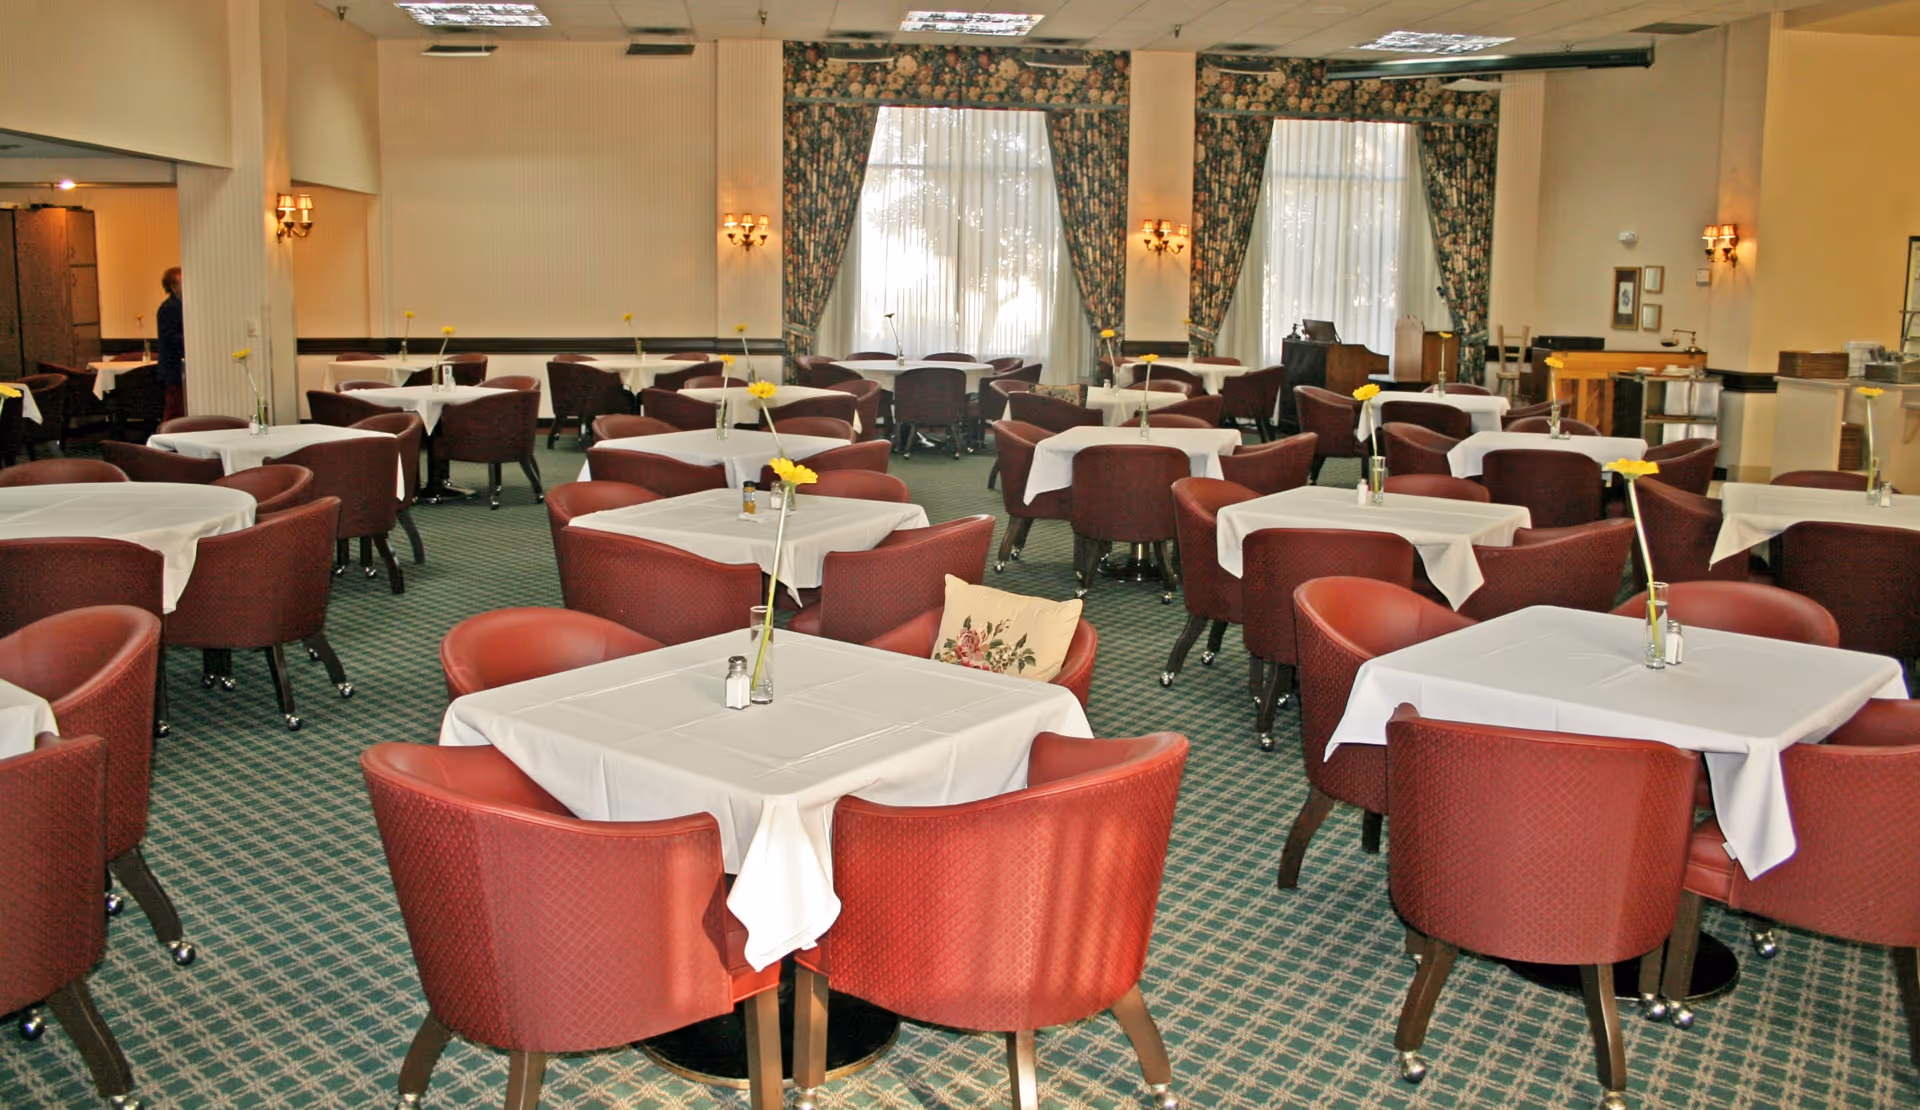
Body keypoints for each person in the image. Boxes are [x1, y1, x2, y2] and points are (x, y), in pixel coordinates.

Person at [156, 266, 185, 422]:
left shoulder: (185, 305)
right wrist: (192, 339)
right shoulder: (169, 308)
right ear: (173, 287)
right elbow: (170, 338)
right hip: (173, 368)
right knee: (174, 412)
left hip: (180, 368)